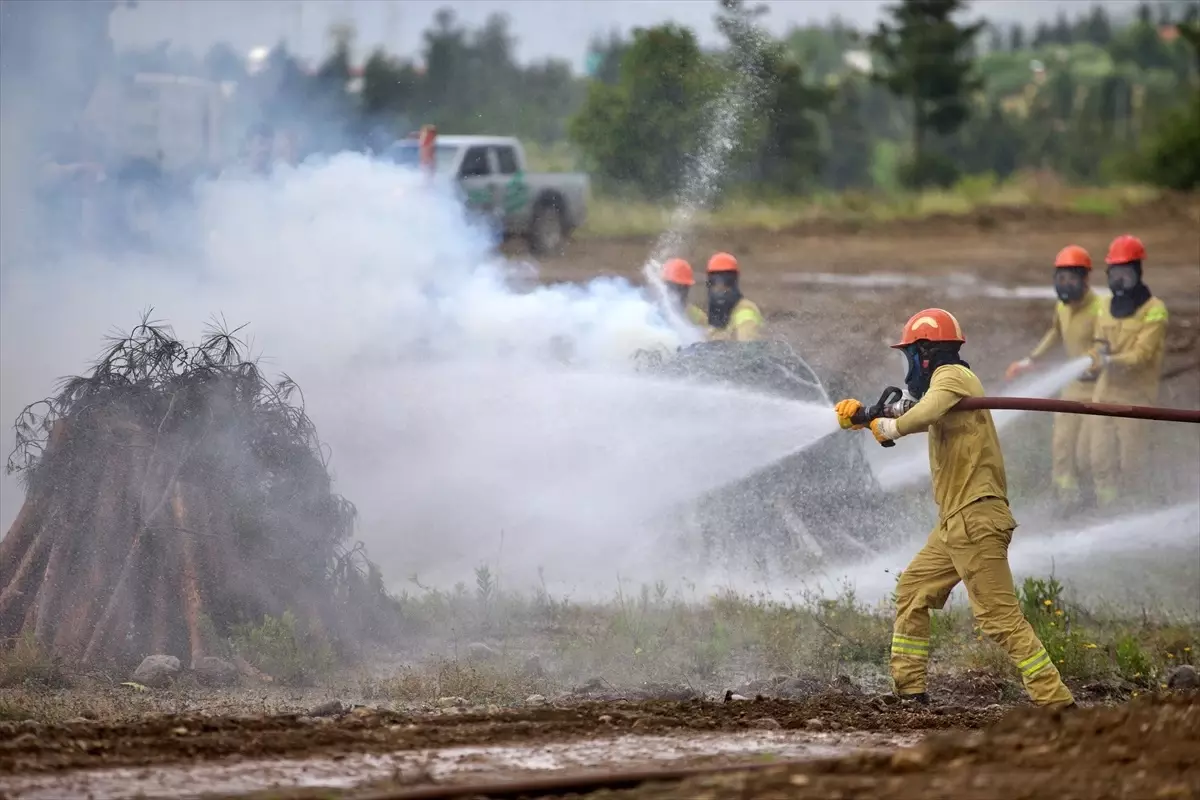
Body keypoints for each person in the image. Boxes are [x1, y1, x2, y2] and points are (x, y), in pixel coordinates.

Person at [834, 308, 1075, 709]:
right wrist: (865, 416)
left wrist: (890, 429)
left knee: (1000, 619)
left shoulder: (953, 377)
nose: (910, 364)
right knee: (913, 591)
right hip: (955, 521)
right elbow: (912, 407)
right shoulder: (943, 390)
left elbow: (923, 412)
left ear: (926, 353)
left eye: (911, 355)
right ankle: (910, 693)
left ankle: (1058, 704)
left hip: (976, 517)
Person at [1005, 245, 1103, 513]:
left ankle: (1095, 500)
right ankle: (1067, 501)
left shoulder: (1101, 307)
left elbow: (1106, 343)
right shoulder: (1062, 306)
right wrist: (1030, 360)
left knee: (1086, 453)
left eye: (1071, 278)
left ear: (1085, 279)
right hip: (1072, 388)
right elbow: (1055, 332)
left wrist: (1097, 356)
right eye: (1061, 278)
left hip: (1097, 390)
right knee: (1061, 449)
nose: (1065, 285)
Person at [1085, 234, 1168, 508]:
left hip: (1136, 396)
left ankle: (1133, 507)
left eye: (1126, 274)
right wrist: (1094, 358)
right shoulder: (1104, 306)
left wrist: (1110, 361)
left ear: (1138, 273)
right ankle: (1107, 508)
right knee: (1099, 459)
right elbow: (1099, 343)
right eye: (1114, 273)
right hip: (1104, 394)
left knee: (1131, 462)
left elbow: (1142, 355)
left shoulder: (1154, 310)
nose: (1119, 280)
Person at [704, 252, 765, 342]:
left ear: (734, 282)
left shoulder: (746, 313)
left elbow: (747, 349)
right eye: (714, 282)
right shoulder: (717, 314)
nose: (720, 288)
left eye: (726, 281)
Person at [660, 258, 709, 326]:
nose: (681, 293)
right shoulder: (649, 311)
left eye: (684, 288)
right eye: (678, 287)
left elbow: (709, 332)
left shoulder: (696, 315)